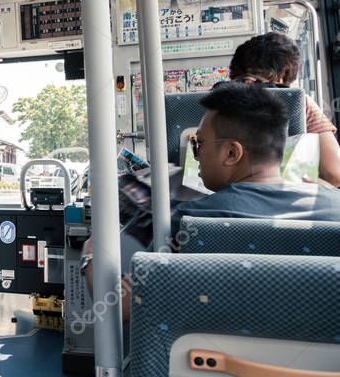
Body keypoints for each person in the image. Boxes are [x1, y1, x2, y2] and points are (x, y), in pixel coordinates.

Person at [83, 82, 340, 321]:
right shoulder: (332, 205)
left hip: (204, 365)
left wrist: (92, 253)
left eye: (199, 144)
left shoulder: (190, 222)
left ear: (231, 153)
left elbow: (118, 307)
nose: (197, 155)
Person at [228, 31, 340, 186]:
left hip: (219, 201)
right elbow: (334, 173)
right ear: (284, 74)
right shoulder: (299, 102)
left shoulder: (211, 100)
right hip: (283, 203)